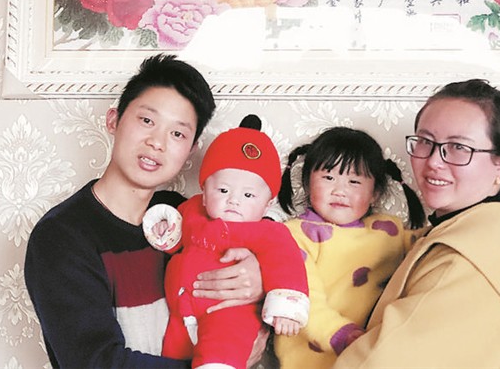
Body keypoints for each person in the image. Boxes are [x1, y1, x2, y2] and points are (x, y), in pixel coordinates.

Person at [25, 54, 266, 368]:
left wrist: (258, 273)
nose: (157, 142)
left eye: (177, 134)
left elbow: (260, 234)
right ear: (113, 120)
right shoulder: (61, 236)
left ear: (191, 150)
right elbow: (96, 362)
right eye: (147, 121)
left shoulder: (180, 212)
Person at [335, 80, 500, 368]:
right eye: (425, 141)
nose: (434, 161)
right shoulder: (496, 240)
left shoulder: (462, 261)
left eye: (459, 147)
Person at [143, 115, 309, 369]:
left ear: (267, 204)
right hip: (182, 311)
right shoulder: (192, 211)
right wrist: (164, 231)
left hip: (230, 311)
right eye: (223, 190)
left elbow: (286, 263)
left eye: (248, 195)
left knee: (223, 348)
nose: (234, 200)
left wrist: (286, 308)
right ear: (204, 194)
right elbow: (175, 239)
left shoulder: (267, 232)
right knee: (171, 354)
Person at [273, 127, 425, 369]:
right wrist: (341, 334)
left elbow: (430, 246)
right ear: (307, 183)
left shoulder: (388, 231)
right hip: (314, 359)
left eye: (354, 182)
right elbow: (301, 296)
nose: (340, 191)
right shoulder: (294, 235)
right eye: (328, 178)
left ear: (375, 193)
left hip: (373, 355)